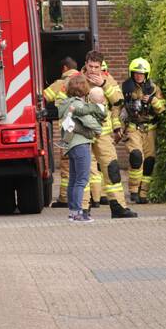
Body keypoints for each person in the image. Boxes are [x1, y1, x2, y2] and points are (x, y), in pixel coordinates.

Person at [83, 50, 137, 218]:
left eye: (96, 67)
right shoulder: (77, 79)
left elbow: (118, 101)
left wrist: (104, 84)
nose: (93, 70)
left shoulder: (108, 79)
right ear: (85, 65)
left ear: (101, 67)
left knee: (112, 168)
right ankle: (83, 208)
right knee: (83, 170)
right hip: (83, 133)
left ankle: (118, 206)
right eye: (90, 66)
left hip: (103, 134)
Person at [57, 74, 102, 223]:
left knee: (74, 179)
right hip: (81, 144)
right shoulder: (78, 104)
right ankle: (77, 213)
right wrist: (99, 129)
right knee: (82, 180)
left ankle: (72, 212)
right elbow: (88, 121)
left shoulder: (67, 103)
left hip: (71, 145)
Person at [120, 57, 165, 203]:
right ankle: (133, 190)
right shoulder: (125, 88)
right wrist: (118, 128)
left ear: (146, 74)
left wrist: (152, 100)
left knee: (149, 160)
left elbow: (162, 108)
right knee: (136, 156)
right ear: (132, 73)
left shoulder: (154, 88)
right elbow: (118, 108)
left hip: (150, 129)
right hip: (133, 127)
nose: (139, 76)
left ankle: (143, 193)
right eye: (136, 73)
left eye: (141, 73)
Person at [44, 57, 81, 208]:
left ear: (65, 68)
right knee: (87, 164)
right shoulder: (85, 81)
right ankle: (94, 198)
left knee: (67, 163)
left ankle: (65, 199)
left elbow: (44, 97)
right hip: (85, 129)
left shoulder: (61, 83)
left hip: (68, 130)